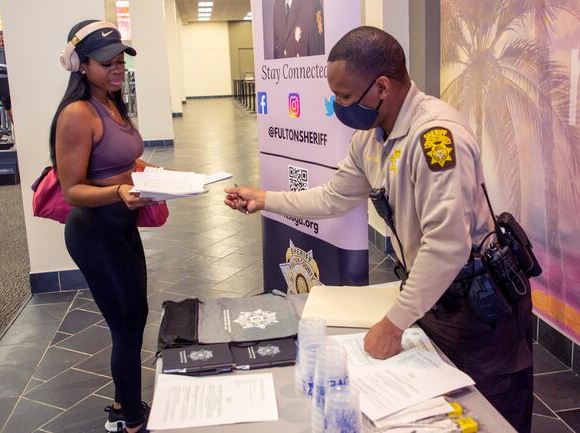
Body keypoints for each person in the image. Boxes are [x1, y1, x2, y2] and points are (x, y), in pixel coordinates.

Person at [225, 26, 533, 433]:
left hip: (479, 311)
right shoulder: (370, 139)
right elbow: (334, 197)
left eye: (346, 96)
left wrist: (394, 323)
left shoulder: (437, 138)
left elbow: (447, 246)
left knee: (489, 416)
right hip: (432, 299)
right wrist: (266, 199)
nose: (338, 106)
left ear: (382, 87)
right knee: (443, 414)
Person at [50, 20, 157, 433]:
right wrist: (118, 193)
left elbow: (122, 162)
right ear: (81, 66)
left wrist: (152, 175)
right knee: (126, 323)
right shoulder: (78, 114)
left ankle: (121, 402)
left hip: (121, 224)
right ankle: (132, 421)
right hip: (94, 231)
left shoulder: (112, 102)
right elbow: (72, 189)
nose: (117, 69)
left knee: (136, 314)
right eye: (106, 63)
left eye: (120, 61)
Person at [0, 30, 12, 124]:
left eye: (2, 41)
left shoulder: (11, 53)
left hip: (12, 86)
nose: (1, 44)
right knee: (10, 113)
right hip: (4, 88)